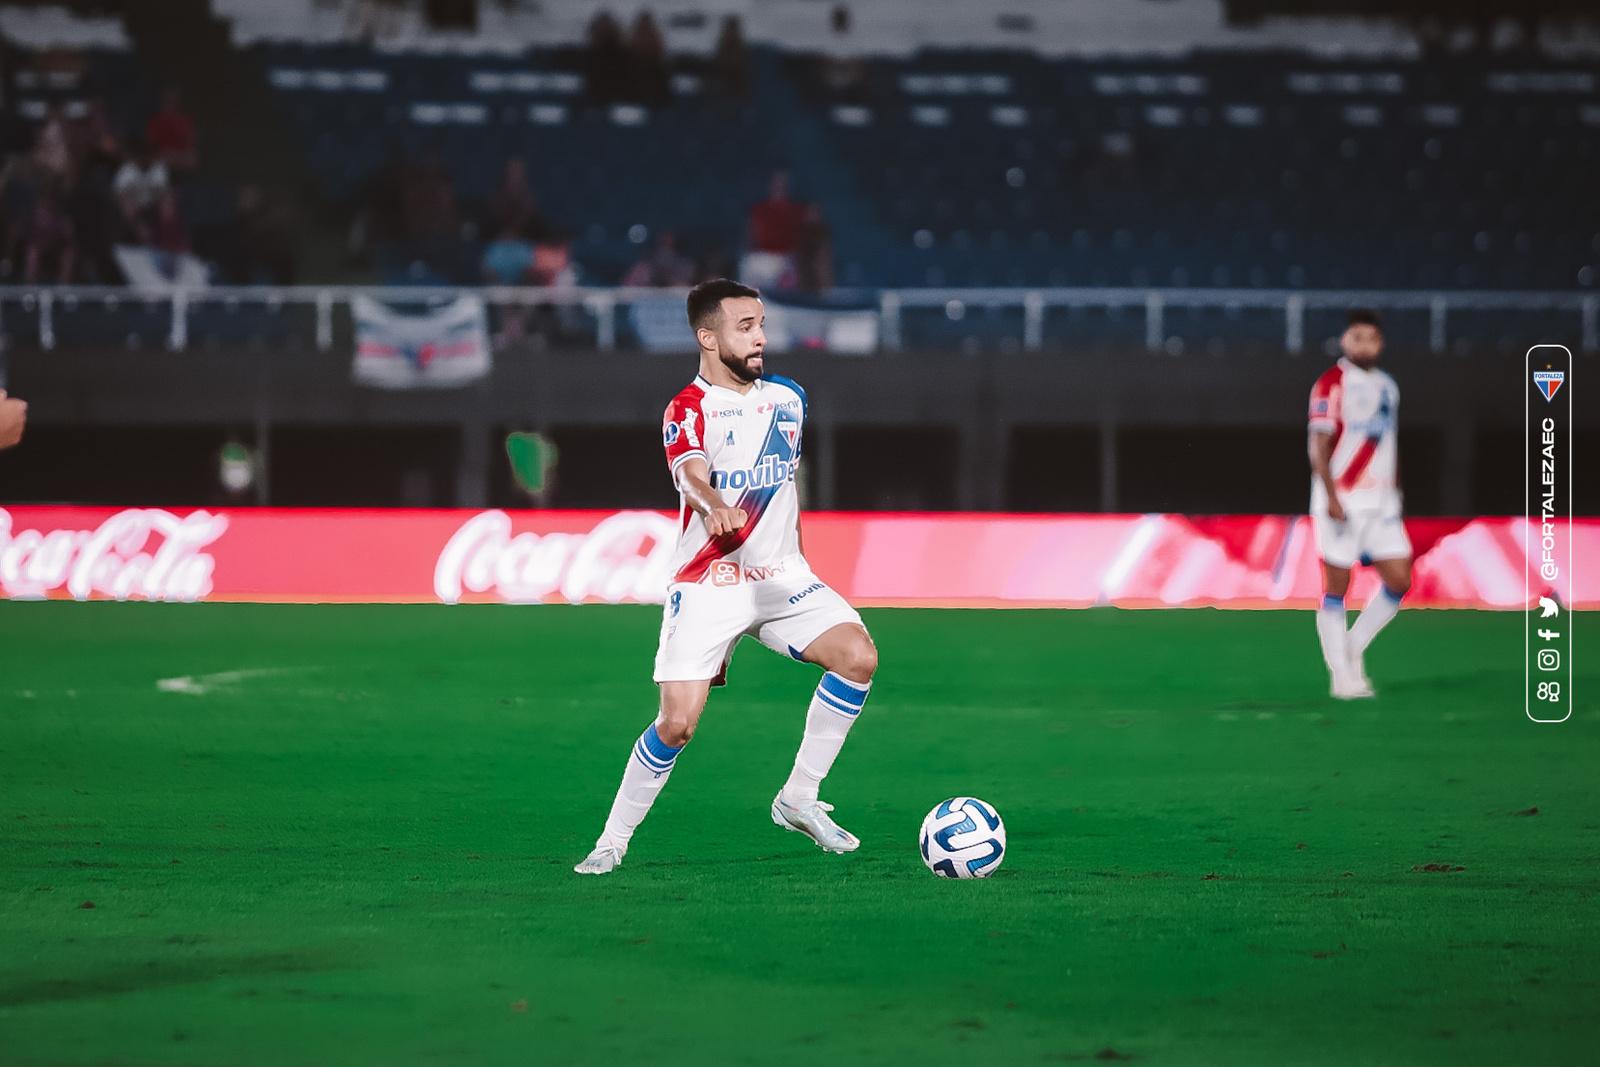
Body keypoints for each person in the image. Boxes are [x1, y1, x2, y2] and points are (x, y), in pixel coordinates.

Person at [574, 278, 879, 875]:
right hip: (709, 581)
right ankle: (612, 841)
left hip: (782, 575)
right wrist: (712, 502)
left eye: (762, 324)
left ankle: (798, 798)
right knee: (678, 724)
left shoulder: (790, 397)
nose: (761, 337)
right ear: (707, 338)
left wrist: (791, 557)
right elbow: (687, 470)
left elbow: (784, 486)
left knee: (858, 657)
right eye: (746, 327)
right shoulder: (686, 408)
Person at [1307, 308, 1412, 700]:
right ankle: (1341, 676)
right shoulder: (1331, 383)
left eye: (1371, 338)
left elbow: (1390, 442)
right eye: (1357, 338)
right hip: (1343, 501)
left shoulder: (1388, 385)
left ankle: (1352, 646)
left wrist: (1396, 490)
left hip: (1382, 503)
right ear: (1345, 341)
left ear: (1380, 343)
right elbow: (1318, 444)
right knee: (1337, 587)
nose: (1364, 345)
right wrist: (1331, 496)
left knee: (1400, 579)